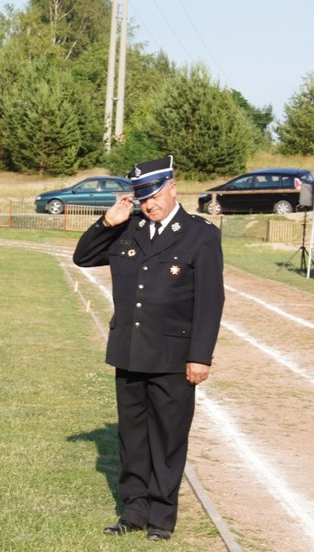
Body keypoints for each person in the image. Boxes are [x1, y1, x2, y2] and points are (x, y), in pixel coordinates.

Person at [73, 155, 225, 542]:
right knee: (132, 436)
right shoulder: (128, 229)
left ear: (173, 187)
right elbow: (83, 256)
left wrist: (200, 356)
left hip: (174, 357)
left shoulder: (200, 235)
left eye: (154, 195)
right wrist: (109, 222)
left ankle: (161, 516)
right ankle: (134, 510)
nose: (149, 204)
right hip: (130, 350)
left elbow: (210, 301)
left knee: (169, 437)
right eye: (142, 197)